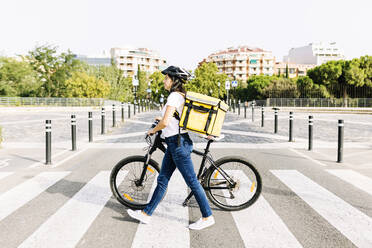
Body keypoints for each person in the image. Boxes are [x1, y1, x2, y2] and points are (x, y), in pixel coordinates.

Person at [127, 66, 215, 230]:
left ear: (174, 80)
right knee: (162, 180)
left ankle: (207, 216)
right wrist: (160, 119)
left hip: (178, 145)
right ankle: (146, 214)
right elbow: (172, 119)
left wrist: (153, 129)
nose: (164, 81)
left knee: (193, 182)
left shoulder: (174, 96)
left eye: (166, 78)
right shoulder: (179, 95)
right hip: (175, 143)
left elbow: (166, 122)